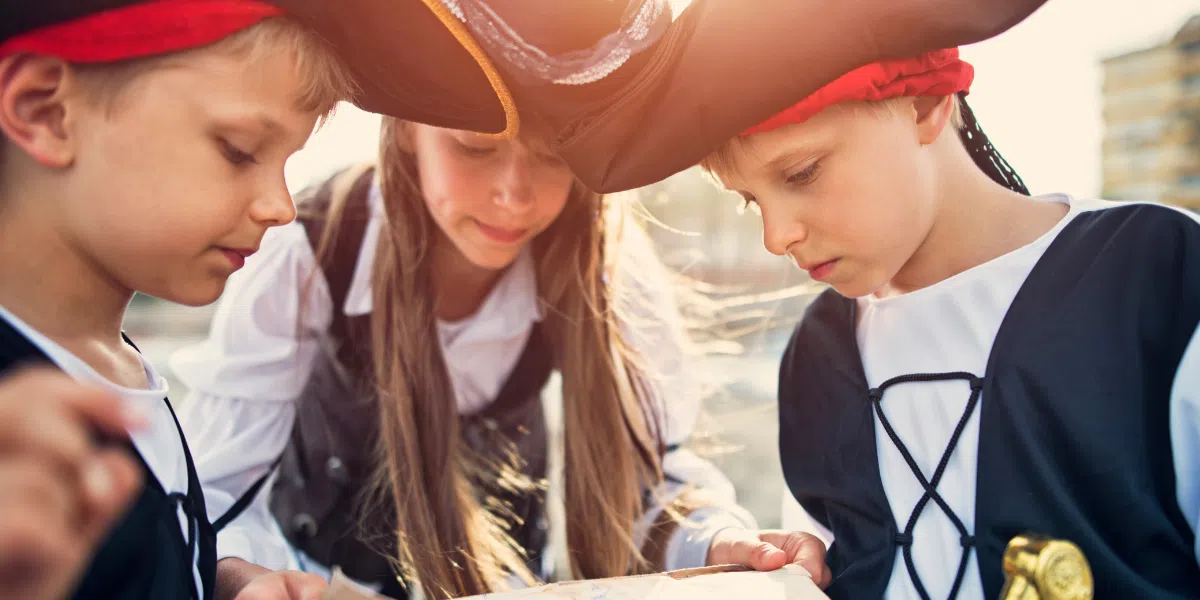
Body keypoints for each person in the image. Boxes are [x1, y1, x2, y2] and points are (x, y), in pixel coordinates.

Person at [172, 117, 832, 599]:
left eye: (551, 156)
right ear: (405, 128)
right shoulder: (309, 246)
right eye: (475, 146)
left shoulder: (601, 262)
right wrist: (249, 580)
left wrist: (718, 540)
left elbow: (659, 479)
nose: (514, 195)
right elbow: (216, 492)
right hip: (309, 577)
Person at [698, 47, 1200, 598]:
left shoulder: (1157, 274)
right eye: (750, 201)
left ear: (924, 103)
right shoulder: (817, 351)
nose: (775, 236)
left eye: (801, 172)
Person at [0, 1, 358, 598]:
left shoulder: (119, 367)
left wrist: (227, 583)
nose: (281, 206)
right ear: (45, 111)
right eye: (239, 150)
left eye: (286, 164)